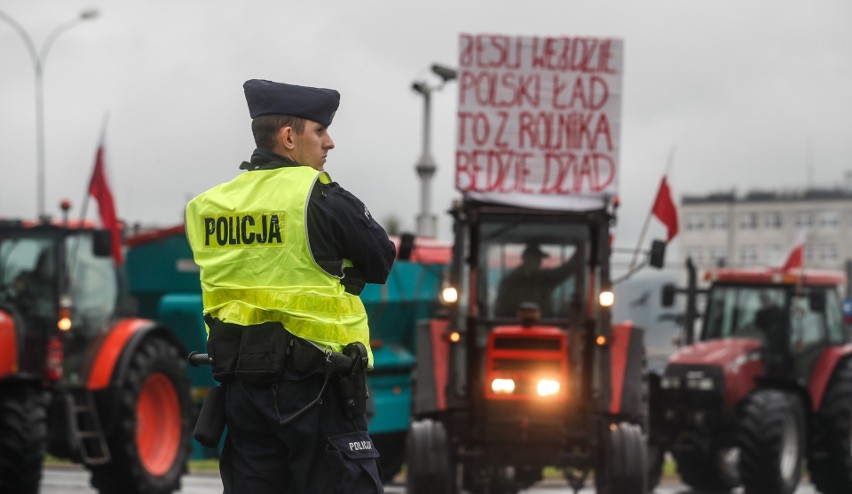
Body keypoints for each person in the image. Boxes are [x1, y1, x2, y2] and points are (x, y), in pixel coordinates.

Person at [185, 79, 395, 494]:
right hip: (316, 388)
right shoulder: (317, 196)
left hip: (242, 393)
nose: (329, 143)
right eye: (320, 131)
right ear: (288, 138)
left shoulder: (207, 208)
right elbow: (380, 259)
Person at [494, 243, 579, 318]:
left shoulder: (545, 278)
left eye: (539, 260)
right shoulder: (510, 281)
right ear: (526, 259)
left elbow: (566, 270)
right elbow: (501, 309)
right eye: (537, 259)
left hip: (545, 326)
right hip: (514, 327)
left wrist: (581, 250)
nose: (539, 263)